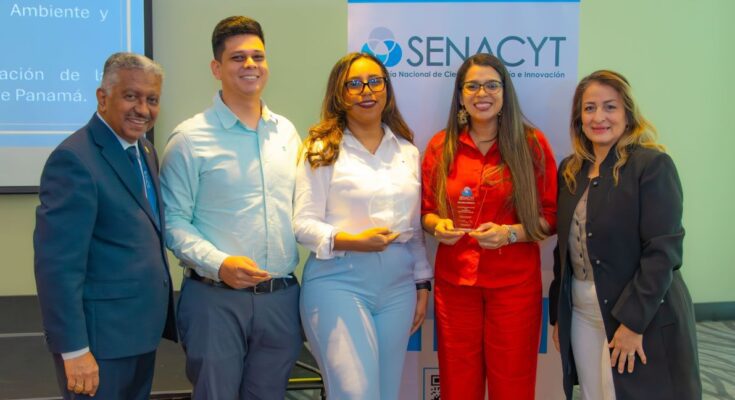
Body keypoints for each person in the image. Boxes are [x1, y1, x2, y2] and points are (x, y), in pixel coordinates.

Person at [159, 16, 302, 399]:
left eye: (258, 56)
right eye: (238, 58)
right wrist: (220, 263)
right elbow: (173, 222)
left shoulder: (286, 133)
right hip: (214, 299)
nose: (250, 64)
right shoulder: (190, 139)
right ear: (216, 68)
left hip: (280, 298)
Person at [548, 70, 701, 399]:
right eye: (589, 108)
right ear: (579, 118)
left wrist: (633, 323)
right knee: (594, 393)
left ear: (628, 114)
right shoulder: (570, 170)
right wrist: (560, 314)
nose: (598, 117)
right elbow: (564, 247)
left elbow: (663, 252)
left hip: (637, 311)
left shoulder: (652, 165)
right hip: (581, 309)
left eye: (610, 107)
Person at [33, 52, 177, 399]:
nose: (142, 109)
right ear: (102, 97)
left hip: (138, 336)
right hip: (98, 346)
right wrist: (74, 350)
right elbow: (58, 266)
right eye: (131, 96)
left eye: (152, 99)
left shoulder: (145, 151)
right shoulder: (74, 159)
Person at [293, 52, 432, 399]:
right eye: (353, 84)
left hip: (398, 288)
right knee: (356, 394)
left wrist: (422, 283)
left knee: (385, 394)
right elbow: (303, 224)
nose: (366, 91)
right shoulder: (321, 149)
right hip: (338, 282)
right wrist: (352, 241)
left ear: (387, 89)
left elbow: (413, 231)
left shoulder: (407, 151)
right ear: (339, 94)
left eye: (375, 82)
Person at [420, 53, 557, 399]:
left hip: (514, 286)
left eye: (492, 85)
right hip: (456, 285)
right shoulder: (441, 146)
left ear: (505, 92)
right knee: (457, 385)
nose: (482, 93)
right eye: (473, 86)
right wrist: (437, 227)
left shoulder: (531, 144)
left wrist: (511, 234)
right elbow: (426, 211)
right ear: (460, 95)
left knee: (513, 384)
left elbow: (552, 216)